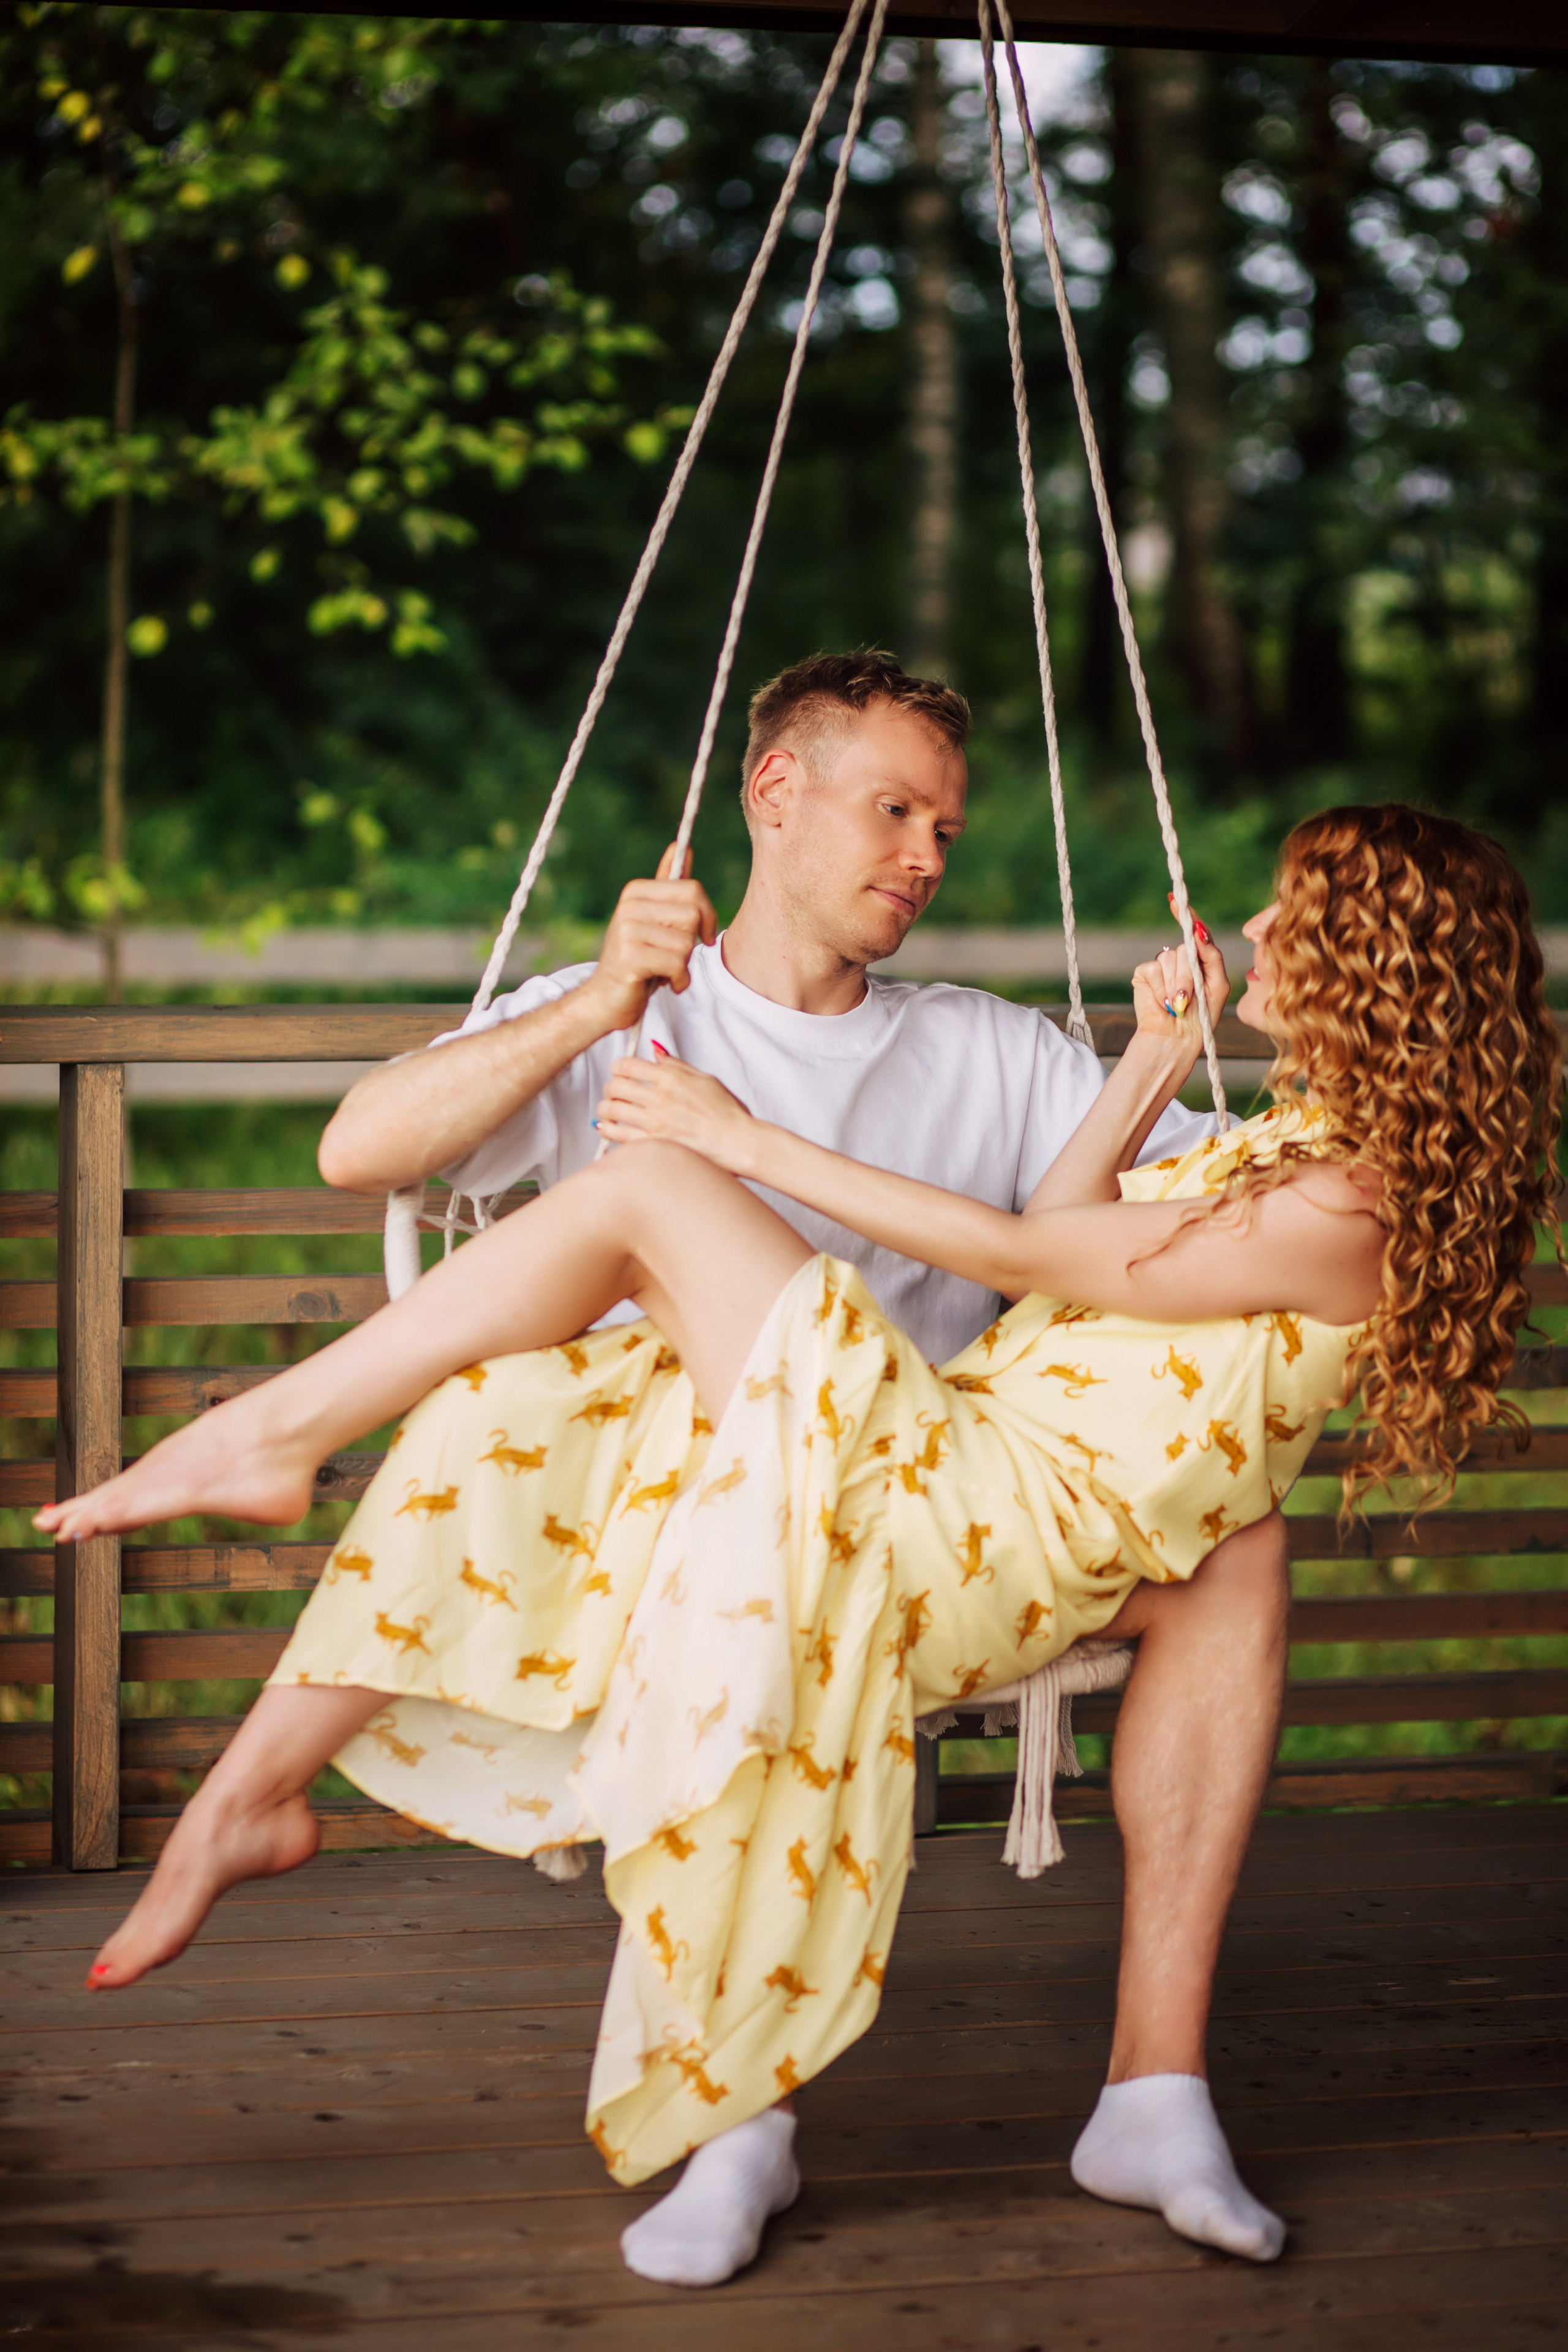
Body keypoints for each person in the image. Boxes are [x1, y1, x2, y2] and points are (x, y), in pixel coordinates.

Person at [42, 805, 1561, 2284]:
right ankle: (256, 1771)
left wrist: (741, 1139)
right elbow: (1067, 1234)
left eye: (1298, 915)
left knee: (658, 1187)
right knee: (561, 1393)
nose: (1257, 930)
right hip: (977, 1477)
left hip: (970, 1514)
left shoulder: (1345, 1207)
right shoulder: (1290, 1148)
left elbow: (1019, 1250)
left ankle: (278, 1441)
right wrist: (1151, 1066)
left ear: (1379, 965)